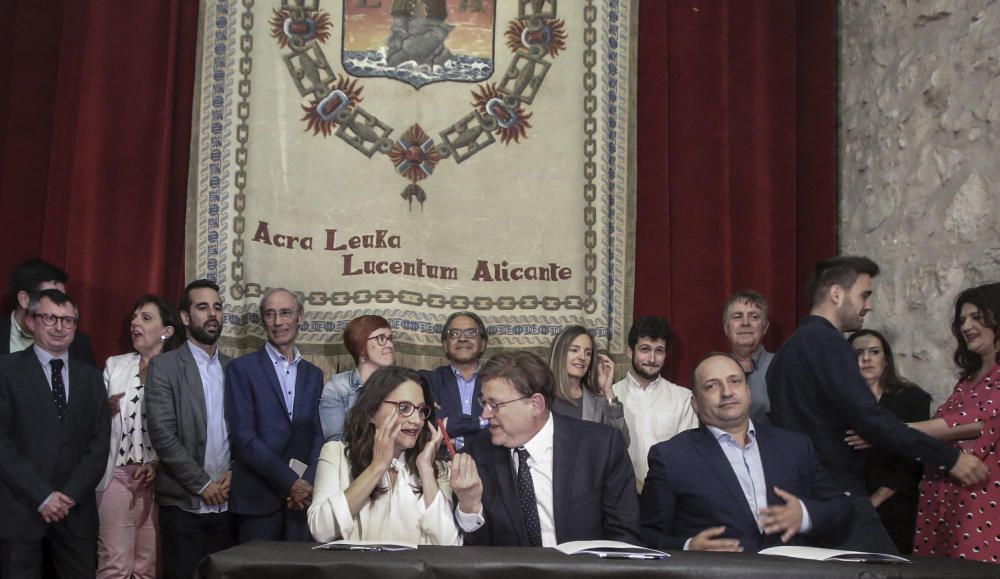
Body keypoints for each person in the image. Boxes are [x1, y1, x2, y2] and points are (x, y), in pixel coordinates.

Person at [766, 256, 988, 554]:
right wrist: (950, 458)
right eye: (864, 295)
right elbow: (870, 419)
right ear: (836, 294)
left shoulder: (784, 354)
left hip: (799, 495)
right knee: (881, 570)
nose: (868, 305)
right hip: (834, 491)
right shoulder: (830, 344)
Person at [641, 353, 851, 552]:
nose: (727, 392)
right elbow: (646, 535)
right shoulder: (671, 457)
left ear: (748, 393)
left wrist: (804, 515)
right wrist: (689, 547)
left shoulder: (796, 446)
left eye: (735, 381)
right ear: (695, 403)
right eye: (712, 385)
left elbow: (842, 508)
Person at [455, 351, 641, 546]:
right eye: (484, 403)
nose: (485, 414)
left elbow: (625, 538)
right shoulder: (477, 453)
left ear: (536, 404)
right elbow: (474, 553)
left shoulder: (601, 447)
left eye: (494, 405)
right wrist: (469, 505)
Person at [0, 289, 110, 577]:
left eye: (68, 320)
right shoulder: (6, 371)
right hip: (21, 509)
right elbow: (2, 444)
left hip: (75, 513)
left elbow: (99, 446)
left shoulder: (92, 377)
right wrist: (42, 496)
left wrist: (68, 496)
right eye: (50, 318)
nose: (60, 327)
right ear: (32, 322)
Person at [145, 279, 235, 579]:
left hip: (228, 503)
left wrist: (233, 474)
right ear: (185, 317)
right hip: (185, 504)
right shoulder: (165, 367)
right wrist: (202, 484)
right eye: (202, 307)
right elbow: (162, 434)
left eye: (217, 307)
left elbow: (246, 432)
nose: (212, 314)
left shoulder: (235, 368)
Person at [308, 366, 460, 545]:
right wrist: (378, 466)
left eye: (420, 410)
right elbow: (321, 531)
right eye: (404, 408)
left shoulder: (435, 469)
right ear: (372, 412)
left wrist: (426, 471)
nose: (416, 420)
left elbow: (450, 545)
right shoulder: (336, 454)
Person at [225, 288, 325, 542]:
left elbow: (318, 433)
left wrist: (307, 484)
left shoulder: (314, 374)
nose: (278, 322)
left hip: (301, 502)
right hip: (257, 500)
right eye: (270, 315)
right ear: (263, 321)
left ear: (300, 317)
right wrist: (290, 482)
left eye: (285, 313)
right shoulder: (241, 369)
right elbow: (244, 437)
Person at [97, 295, 185, 578]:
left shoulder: (180, 372)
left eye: (146, 318)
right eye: (134, 317)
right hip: (116, 475)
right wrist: (101, 410)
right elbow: (92, 421)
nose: (135, 323)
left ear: (167, 330)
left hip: (160, 481)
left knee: (146, 567)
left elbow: (185, 429)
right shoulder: (115, 365)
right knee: (115, 563)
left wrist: (157, 465)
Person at [913, 283, 1000, 562]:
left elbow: (973, 422)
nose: (966, 326)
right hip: (940, 504)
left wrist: (885, 430)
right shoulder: (966, 381)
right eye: (962, 320)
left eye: (976, 317)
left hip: (982, 508)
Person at [847, 329, 930, 554]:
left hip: (897, 506)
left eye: (874, 352)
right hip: (850, 507)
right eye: (858, 353)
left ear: (886, 359)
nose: (866, 359)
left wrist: (876, 499)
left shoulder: (912, 399)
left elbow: (916, 456)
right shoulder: (839, 403)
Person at [611, 316, 697, 491]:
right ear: (630, 351)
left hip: (670, 496)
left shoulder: (683, 398)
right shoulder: (610, 396)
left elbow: (687, 456)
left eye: (659, 351)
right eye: (645, 349)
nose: (652, 358)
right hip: (620, 496)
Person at [2, 258, 95, 366]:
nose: (59, 305)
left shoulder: (79, 343)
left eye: (62, 298)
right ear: (25, 300)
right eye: (51, 297)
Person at [419, 312, 489, 451]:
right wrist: (483, 422)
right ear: (445, 345)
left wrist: (458, 441)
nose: (462, 338)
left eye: (471, 333)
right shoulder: (429, 380)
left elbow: (506, 426)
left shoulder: (500, 382)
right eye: (454, 334)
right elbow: (431, 424)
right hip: (440, 464)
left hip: (490, 463)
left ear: (482, 344)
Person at [319, 315, 396, 441]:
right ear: (360, 348)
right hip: (349, 458)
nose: (390, 345)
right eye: (381, 338)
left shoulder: (402, 385)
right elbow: (336, 442)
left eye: (390, 338)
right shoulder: (338, 386)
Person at [547, 325, 628, 443]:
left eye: (588, 353)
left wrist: (608, 390)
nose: (582, 357)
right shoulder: (541, 394)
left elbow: (622, 441)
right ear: (560, 354)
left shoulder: (598, 401)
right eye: (574, 350)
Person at [723, 290, 774, 423]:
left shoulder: (782, 365)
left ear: (765, 327)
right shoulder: (713, 369)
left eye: (754, 317)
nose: (745, 323)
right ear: (726, 327)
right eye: (737, 316)